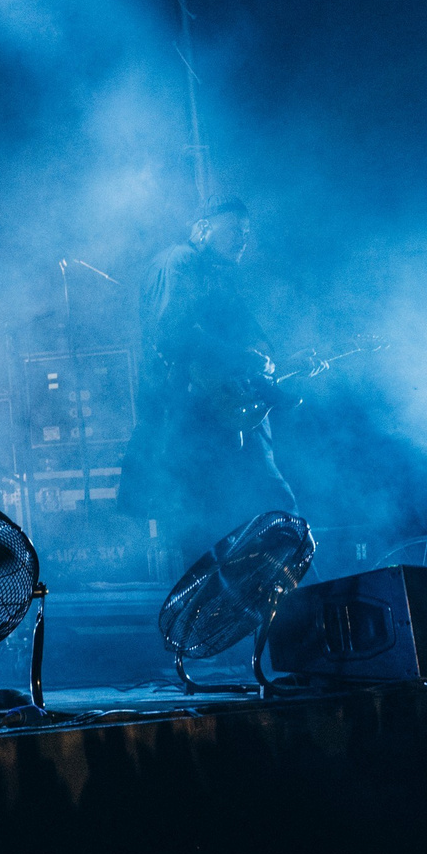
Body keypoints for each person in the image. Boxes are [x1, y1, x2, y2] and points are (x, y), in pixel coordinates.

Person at [120, 195, 298, 576]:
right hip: (196, 425)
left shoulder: (212, 275)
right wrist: (244, 357)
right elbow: (173, 334)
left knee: (232, 533)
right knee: (251, 524)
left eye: (247, 232)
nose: (243, 239)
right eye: (234, 230)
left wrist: (263, 355)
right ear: (202, 229)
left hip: (217, 424)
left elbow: (243, 337)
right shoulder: (180, 263)